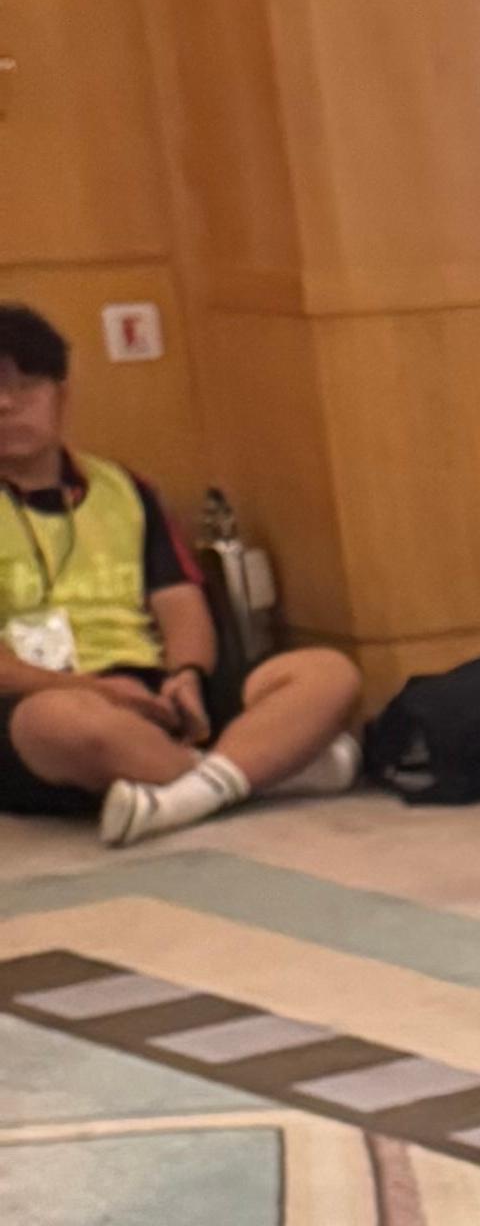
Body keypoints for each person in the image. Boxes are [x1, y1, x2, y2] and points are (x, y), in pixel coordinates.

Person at [0, 302, 360, 848]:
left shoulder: (124, 489)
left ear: (61, 395)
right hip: (47, 698)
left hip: (157, 686)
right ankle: (252, 768)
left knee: (327, 672)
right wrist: (92, 690)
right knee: (61, 723)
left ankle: (185, 787)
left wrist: (187, 675)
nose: (5, 404)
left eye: (25, 386)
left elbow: (180, 603)